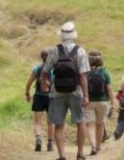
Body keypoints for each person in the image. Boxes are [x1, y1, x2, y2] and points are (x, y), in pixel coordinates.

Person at [40, 22, 91, 160]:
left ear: (61, 35)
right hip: (76, 92)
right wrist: (86, 96)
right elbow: (83, 76)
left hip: (57, 93)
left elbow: (45, 71)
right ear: (74, 35)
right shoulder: (80, 51)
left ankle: (62, 156)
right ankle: (80, 154)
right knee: (80, 122)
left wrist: (44, 85)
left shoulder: (54, 50)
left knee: (59, 124)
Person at [24, 50, 55, 152]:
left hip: (38, 96)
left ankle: (38, 139)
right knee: (51, 122)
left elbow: (28, 83)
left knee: (37, 122)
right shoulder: (54, 69)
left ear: (41, 57)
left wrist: (27, 94)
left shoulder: (37, 68)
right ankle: (50, 143)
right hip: (51, 98)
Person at [85, 51, 114, 156]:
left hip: (88, 102)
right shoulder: (105, 72)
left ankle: (92, 145)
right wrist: (113, 103)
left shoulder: (86, 72)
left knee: (90, 125)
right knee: (100, 124)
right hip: (103, 102)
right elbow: (109, 89)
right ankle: (98, 146)